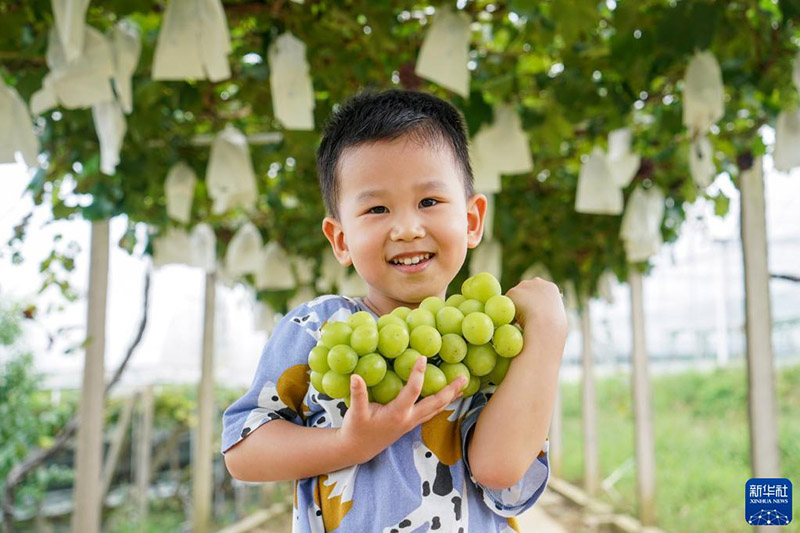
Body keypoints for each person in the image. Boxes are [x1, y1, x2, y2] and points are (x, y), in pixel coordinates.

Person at [221, 89, 567, 532]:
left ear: (473, 220)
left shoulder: (491, 342)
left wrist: (549, 330)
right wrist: (349, 444)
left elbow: (500, 472)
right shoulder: (318, 329)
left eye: (429, 202)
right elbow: (243, 453)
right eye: (377, 208)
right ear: (341, 240)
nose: (406, 228)